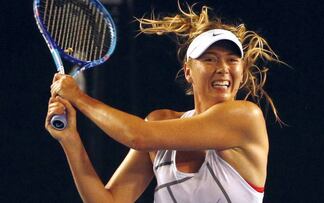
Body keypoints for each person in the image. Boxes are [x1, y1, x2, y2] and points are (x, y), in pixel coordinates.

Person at [45, 3, 282, 203]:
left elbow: (137, 136)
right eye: (209, 59)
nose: (223, 69)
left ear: (241, 70)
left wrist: (78, 97)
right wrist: (70, 138)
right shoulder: (160, 122)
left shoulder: (245, 117)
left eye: (232, 60)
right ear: (188, 71)